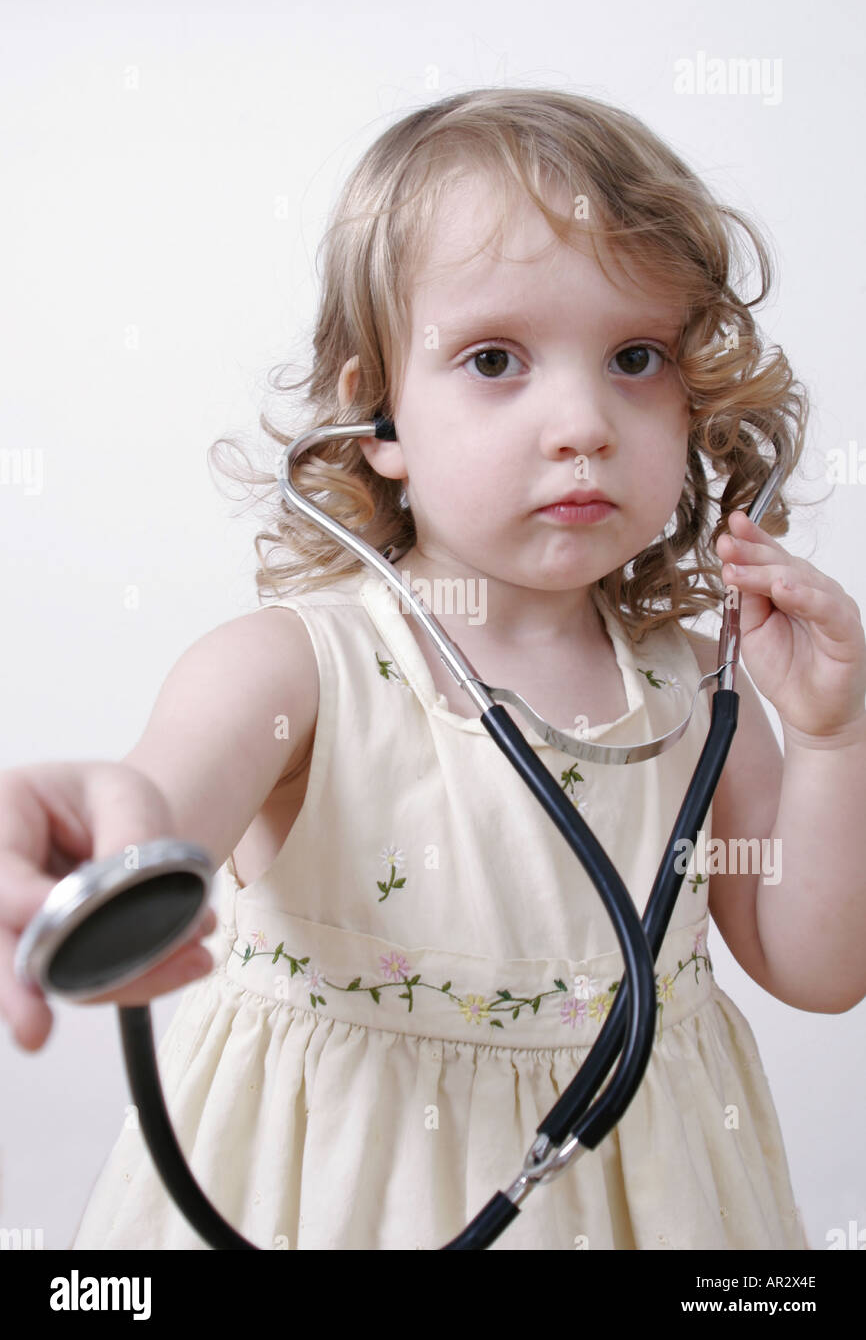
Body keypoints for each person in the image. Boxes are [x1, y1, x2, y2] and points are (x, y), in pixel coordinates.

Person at [3, 88, 865, 1251]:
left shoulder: (693, 696)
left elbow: (818, 968)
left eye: (633, 356)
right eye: (495, 358)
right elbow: (152, 815)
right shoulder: (292, 671)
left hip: (638, 1208)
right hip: (339, 1195)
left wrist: (828, 742)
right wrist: (79, 840)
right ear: (379, 419)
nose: (582, 422)